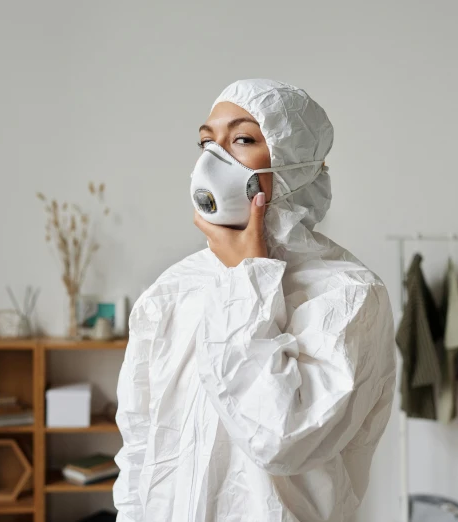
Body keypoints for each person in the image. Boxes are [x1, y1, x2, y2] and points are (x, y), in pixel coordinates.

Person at [113, 79, 396, 522]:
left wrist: (246, 278)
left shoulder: (350, 296)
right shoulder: (171, 292)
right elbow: (139, 449)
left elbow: (282, 437)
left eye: (242, 139)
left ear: (294, 165)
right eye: (207, 142)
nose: (212, 160)